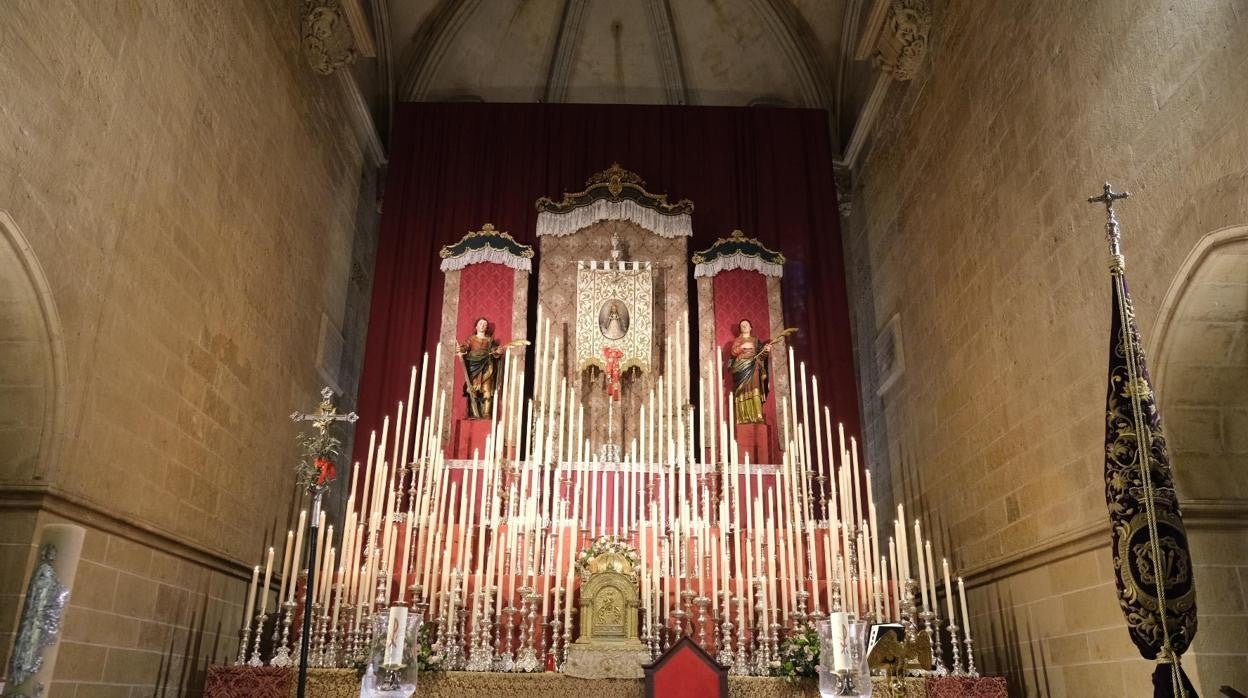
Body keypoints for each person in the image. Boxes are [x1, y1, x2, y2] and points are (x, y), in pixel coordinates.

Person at [457, 317, 504, 419]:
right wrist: (461, 348)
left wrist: (498, 351)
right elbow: (465, 347)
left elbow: (494, 350)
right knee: (473, 389)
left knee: (487, 388)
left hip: (487, 366)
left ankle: (487, 413)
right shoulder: (472, 339)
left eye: (485, 324)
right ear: (476, 326)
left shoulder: (489, 340)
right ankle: (474, 412)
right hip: (473, 367)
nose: (483, 326)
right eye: (481, 324)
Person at [729, 318, 771, 424]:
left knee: (755, 387)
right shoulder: (737, 341)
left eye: (746, 324)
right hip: (740, 367)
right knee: (742, 390)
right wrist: (743, 346)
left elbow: (761, 357)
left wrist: (765, 350)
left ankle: (757, 414)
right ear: (740, 329)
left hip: (753, 366)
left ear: (750, 327)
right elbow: (733, 352)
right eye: (742, 325)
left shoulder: (756, 340)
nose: (744, 326)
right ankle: (743, 416)